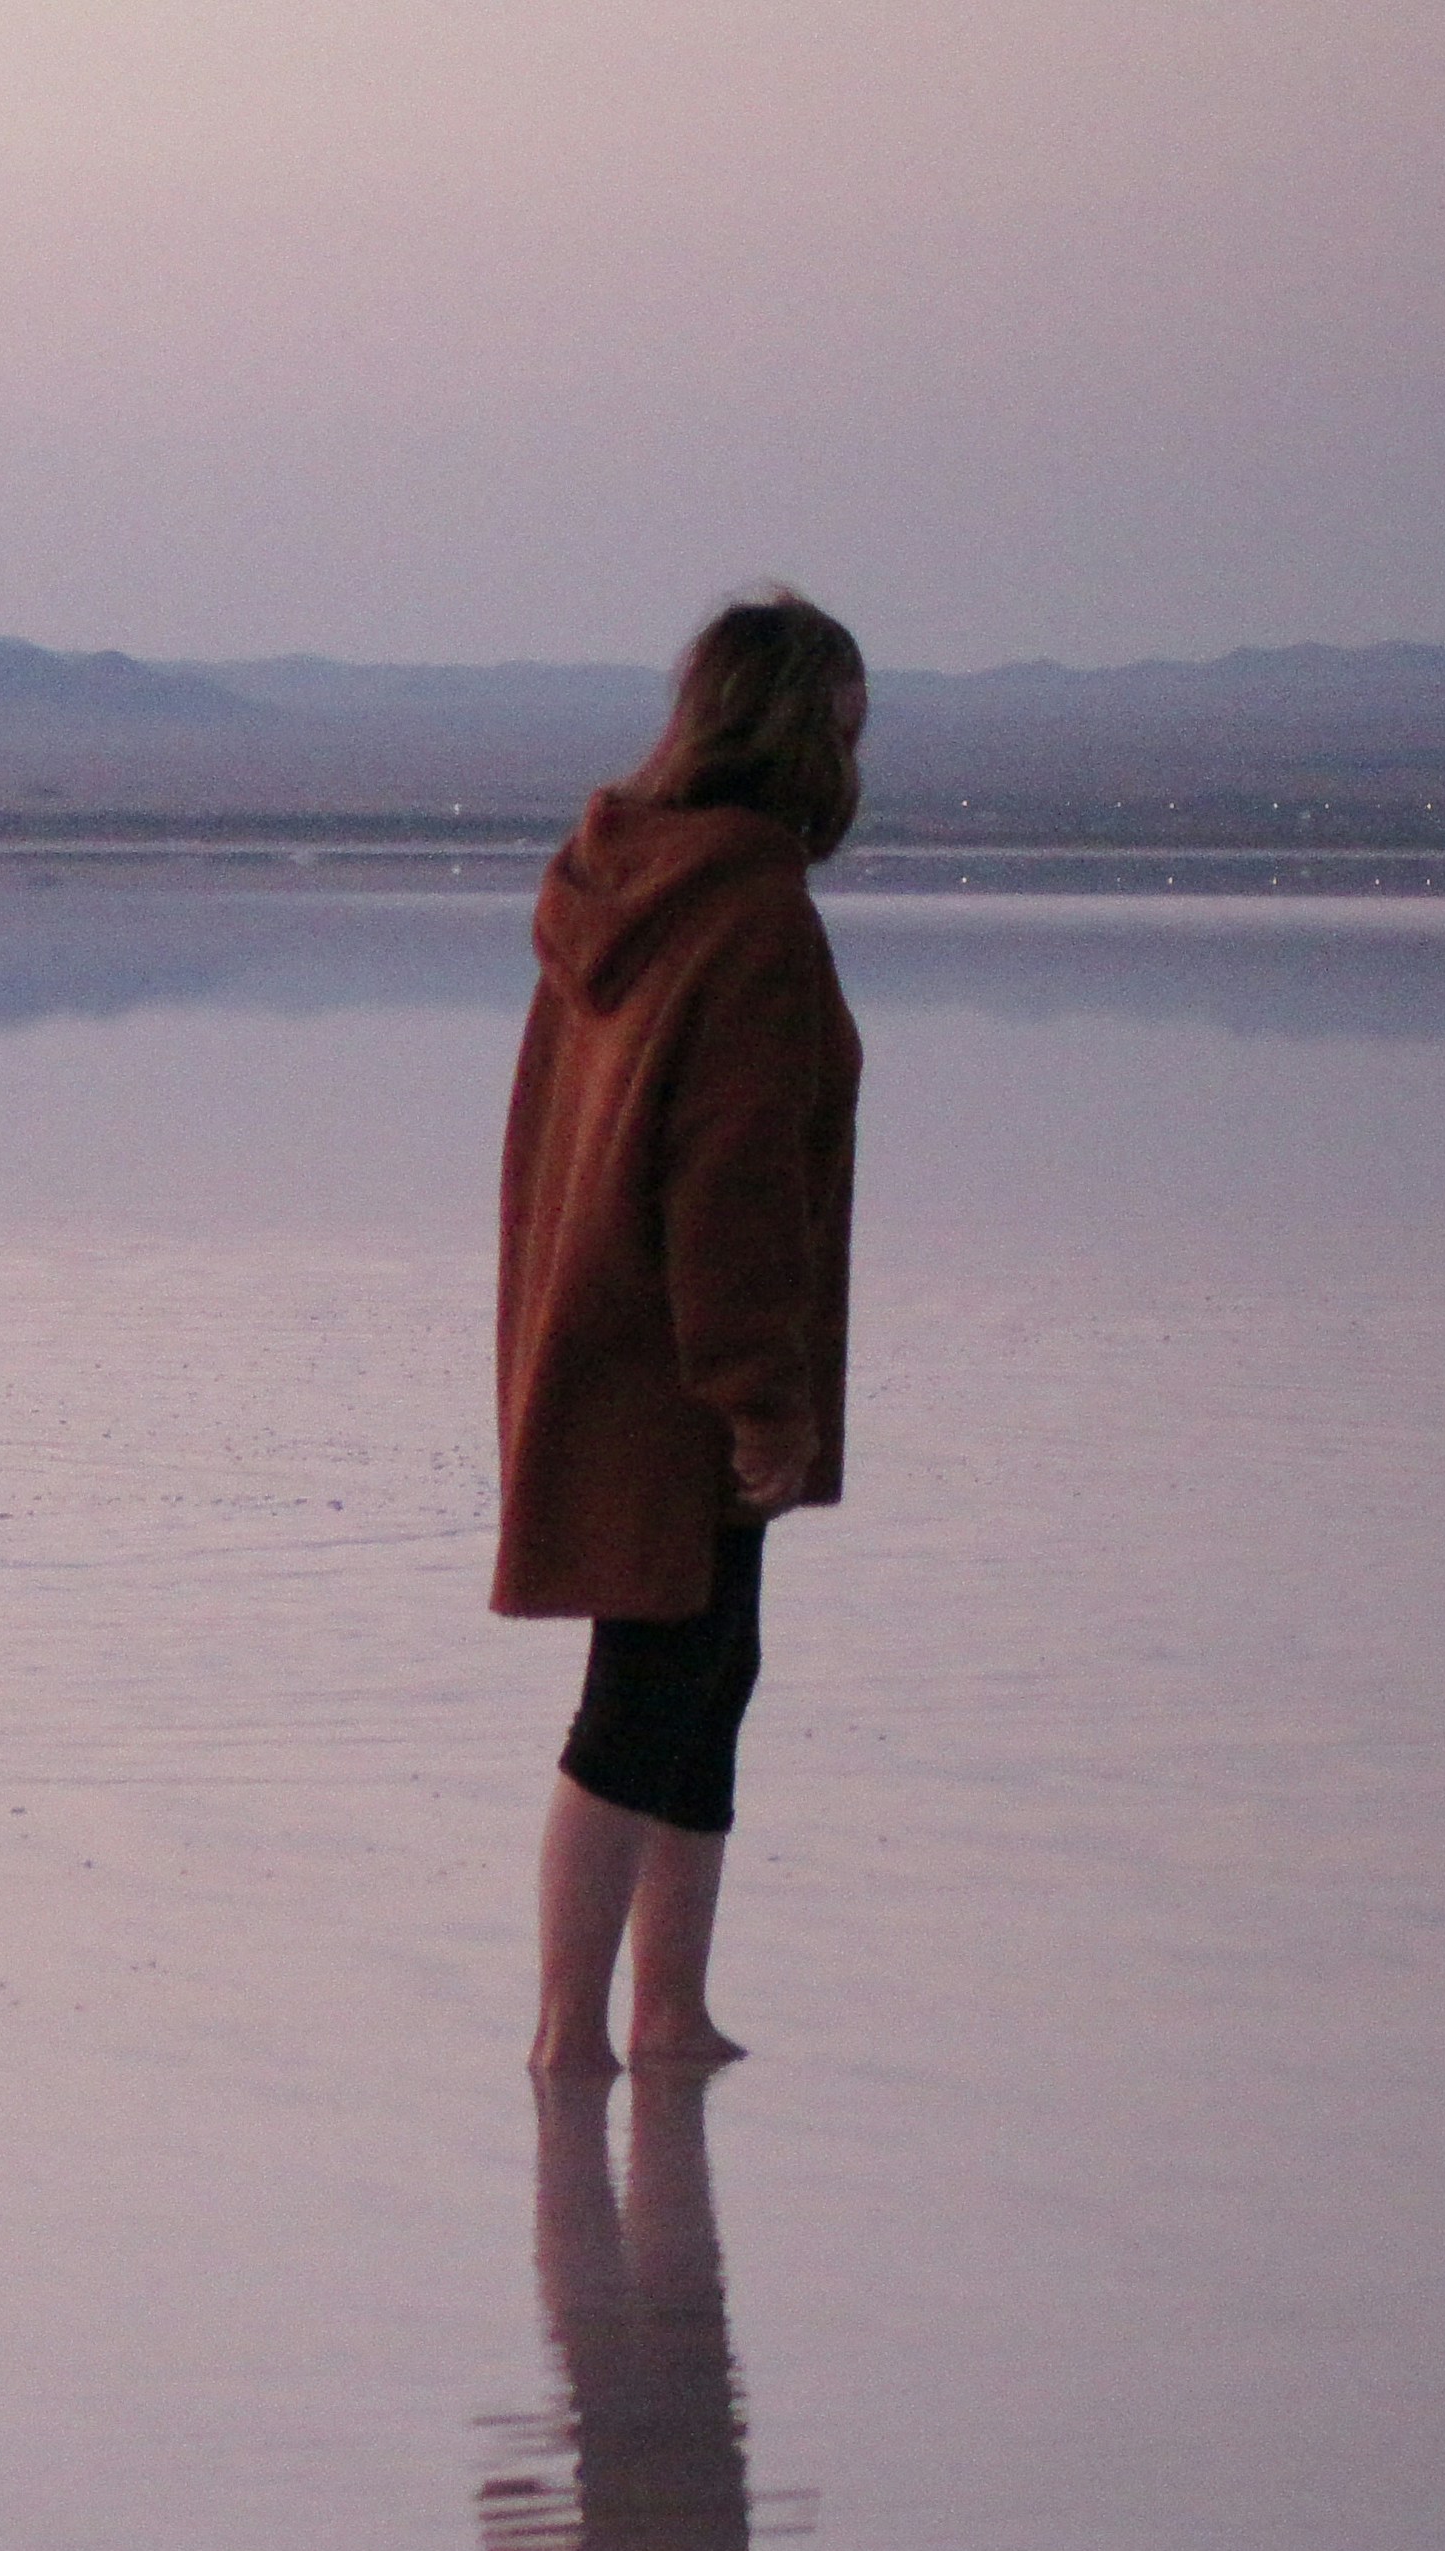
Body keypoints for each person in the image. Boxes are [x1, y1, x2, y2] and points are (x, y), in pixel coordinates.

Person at [496, 591, 867, 2077]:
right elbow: (730, 1180)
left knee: (704, 1672)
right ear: (793, 734)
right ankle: (568, 2032)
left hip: (597, 1343)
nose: (857, 762)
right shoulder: (746, 907)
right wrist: (760, 1397)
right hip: (675, 1373)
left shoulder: (626, 883)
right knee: (648, 1689)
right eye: (845, 729)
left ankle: (662, 2011)